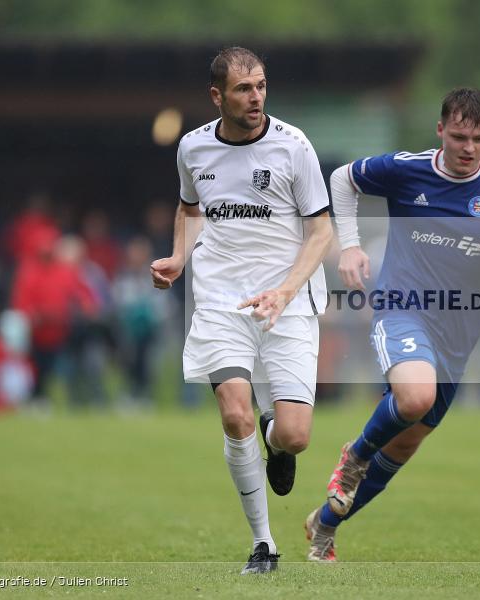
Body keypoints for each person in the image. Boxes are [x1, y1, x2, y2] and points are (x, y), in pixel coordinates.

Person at [305, 88, 480, 562]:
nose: (468, 148)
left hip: (461, 328)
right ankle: (354, 457)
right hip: (403, 305)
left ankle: (325, 525)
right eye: (458, 137)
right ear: (440, 130)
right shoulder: (406, 169)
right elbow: (342, 179)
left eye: (478, 139)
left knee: (406, 443)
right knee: (414, 398)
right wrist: (350, 245)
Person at [149, 47, 333, 574]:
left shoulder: (294, 146)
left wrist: (285, 291)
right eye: (243, 89)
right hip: (221, 299)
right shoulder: (192, 147)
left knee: (294, 436)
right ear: (217, 96)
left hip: (286, 301)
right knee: (234, 413)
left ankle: (275, 435)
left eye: (261, 86)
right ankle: (263, 544)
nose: (256, 97)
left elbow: (321, 232)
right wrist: (179, 257)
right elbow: (190, 209)